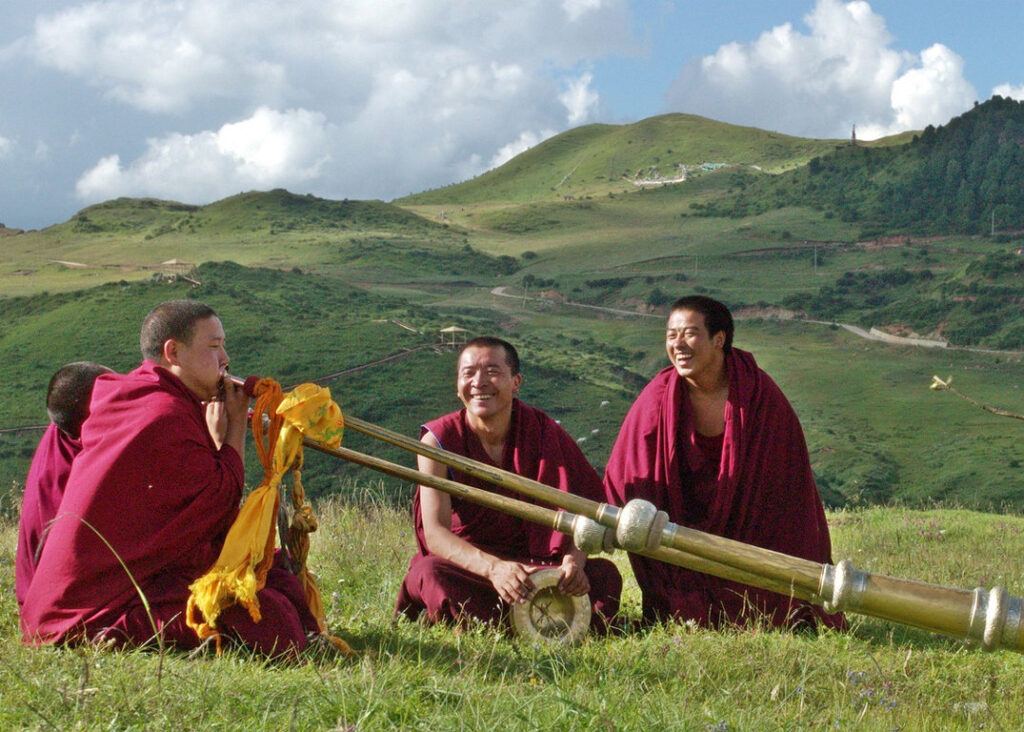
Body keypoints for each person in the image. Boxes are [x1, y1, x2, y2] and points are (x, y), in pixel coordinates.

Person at [20, 300, 321, 657]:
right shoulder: (161, 414)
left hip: (108, 588)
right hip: (86, 611)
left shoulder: (146, 398)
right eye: (213, 347)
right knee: (265, 616)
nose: (225, 359)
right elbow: (218, 502)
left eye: (223, 346)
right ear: (173, 352)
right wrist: (235, 428)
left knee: (273, 580)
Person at [603, 295, 845, 630]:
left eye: (690, 334)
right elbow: (626, 472)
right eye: (671, 336)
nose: (678, 345)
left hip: (749, 539)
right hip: (680, 540)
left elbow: (787, 485)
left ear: (719, 339)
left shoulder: (759, 396)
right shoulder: (658, 398)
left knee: (764, 607)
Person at [395, 336, 621, 633]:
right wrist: (494, 569)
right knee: (430, 573)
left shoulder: (543, 432)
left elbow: (587, 510)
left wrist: (573, 562)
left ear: (516, 382)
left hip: (538, 568)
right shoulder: (438, 441)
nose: (479, 382)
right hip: (476, 569)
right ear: (457, 385)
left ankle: (505, 621)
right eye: (468, 373)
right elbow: (436, 535)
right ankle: (544, 623)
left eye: (492, 371)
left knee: (604, 576)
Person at [15, 361, 113, 611]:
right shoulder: (89, 471)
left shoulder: (65, 427)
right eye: (117, 398)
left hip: (36, 597)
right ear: (97, 416)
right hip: (67, 604)